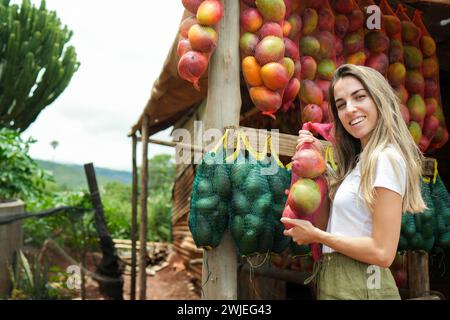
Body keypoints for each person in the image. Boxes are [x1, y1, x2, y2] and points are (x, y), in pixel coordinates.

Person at [281, 64, 426, 300]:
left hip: (364, 283)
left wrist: (317, 236)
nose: (350, 109)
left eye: (359, 97)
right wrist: (315, 164)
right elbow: (335, 224)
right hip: (339, 280)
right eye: (341, 104)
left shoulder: (385, 158)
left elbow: (382, 253)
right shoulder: (360, 164)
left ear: (379, 99)